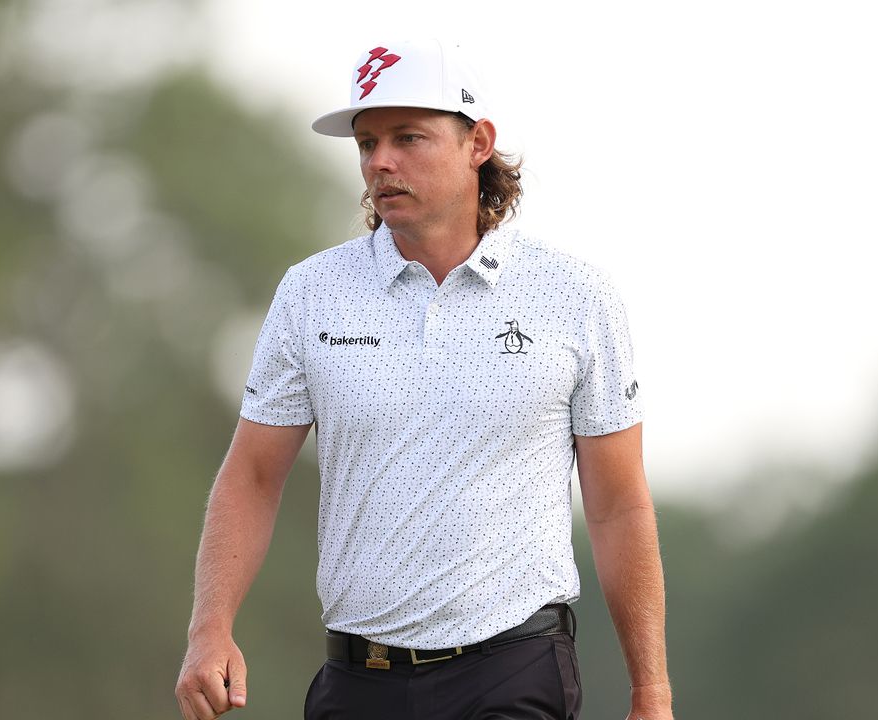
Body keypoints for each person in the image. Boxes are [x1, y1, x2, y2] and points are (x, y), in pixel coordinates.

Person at [175, 39, 673, 720]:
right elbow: (253, 476)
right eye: (368, 141)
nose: (381, 161)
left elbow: (618, 504)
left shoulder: (575, 299)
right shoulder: (312, 294)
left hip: (514, 671)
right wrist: (210, 629)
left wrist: (651, 692)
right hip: (359, 679)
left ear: (479, 144)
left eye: (409, 137)